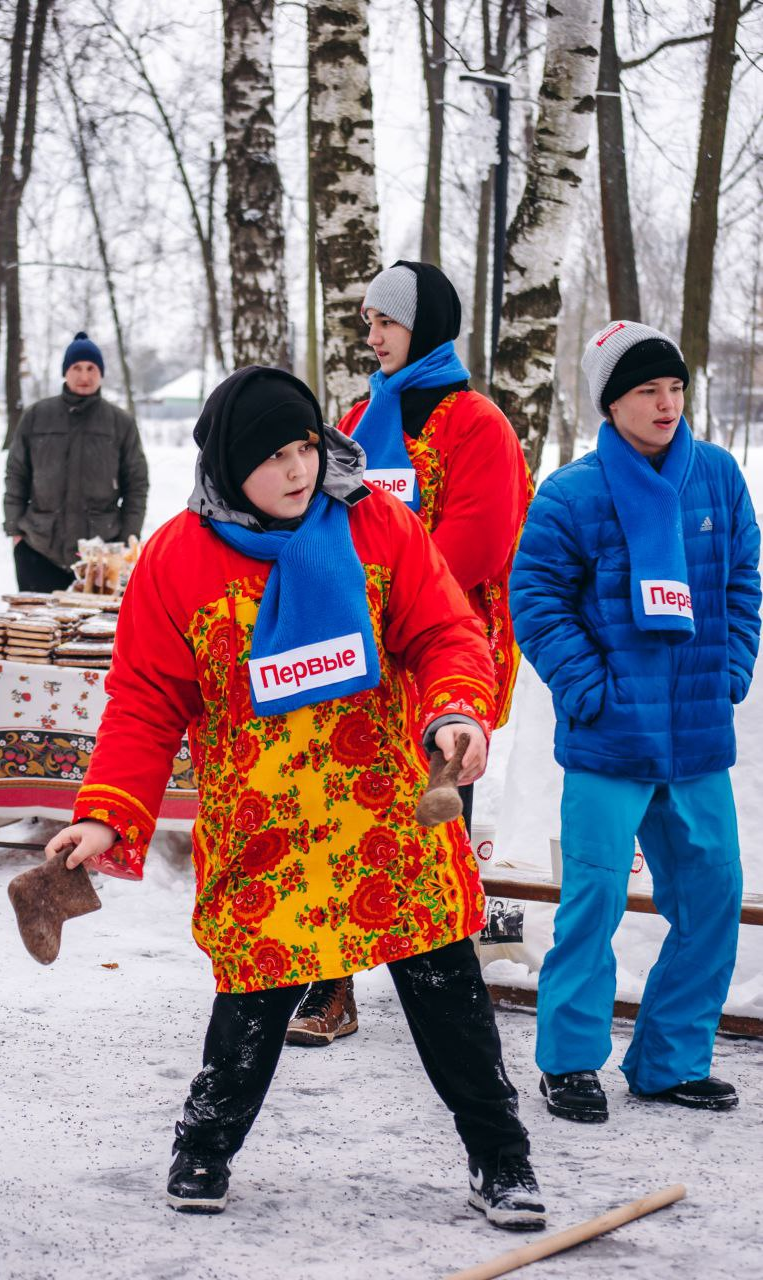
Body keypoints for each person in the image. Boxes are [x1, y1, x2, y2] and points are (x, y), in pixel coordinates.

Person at [44, 365, 546, 1229]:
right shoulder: (177, 558)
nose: (298, 469)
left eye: (307, 445)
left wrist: (456, 710)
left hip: (388, 821)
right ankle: (202, 1149)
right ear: (230, 464)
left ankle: (500, 1158)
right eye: (274, 454)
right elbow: (144, 702)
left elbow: (443, 632)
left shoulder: (376, 525)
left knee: (446, 993)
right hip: (265, 833)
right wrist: (105, 813)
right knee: (251, 1004)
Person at [509, 321, 761, 1123]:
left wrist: (728, 671)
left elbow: (744, 579)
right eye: (645, 391)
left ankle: (668, 1061)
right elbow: (536, 601)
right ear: (609, 404)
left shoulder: (717, 477)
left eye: (674, 388)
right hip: (609, 739)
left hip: (692, 740)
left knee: (712, 900)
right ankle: (570, 1063)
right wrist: (589, 689)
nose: (664, 404)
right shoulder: (572, 493)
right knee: (595, 904)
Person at [286, 261, 531, 1047]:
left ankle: (462, 977)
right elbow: (329, 520)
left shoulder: (475, 422)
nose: (372, 335)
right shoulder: (359, 418)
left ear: (421, 325)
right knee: (345, 805)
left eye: (384, 321)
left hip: (442, 647)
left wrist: (393, 610)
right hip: (358, 647)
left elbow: (479, 543)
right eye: (367, 323)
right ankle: (333, 987)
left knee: (437, 817)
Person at [3, 331, 149, 593]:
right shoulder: (36, 416)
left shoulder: (120, 423)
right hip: (38, 550)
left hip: (101, 556)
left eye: (91, 368)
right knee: (36, 633)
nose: (84, 376)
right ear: (65, 372)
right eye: (77, 367)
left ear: (101, 373)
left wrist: (128, 538)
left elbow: (136, 483)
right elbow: (16, 474)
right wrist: (16, 531)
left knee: (92, 633)